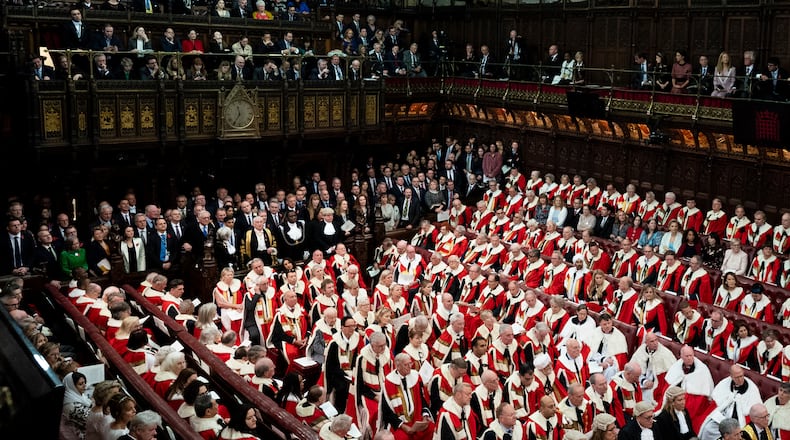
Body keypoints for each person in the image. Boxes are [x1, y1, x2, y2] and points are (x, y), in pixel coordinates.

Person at [60, 371, 92, 440]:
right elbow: (91, 419)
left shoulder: (78, 395)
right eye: (80, 384)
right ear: (71, 386)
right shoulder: (71, 405)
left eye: (84, 382)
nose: (85, 386)